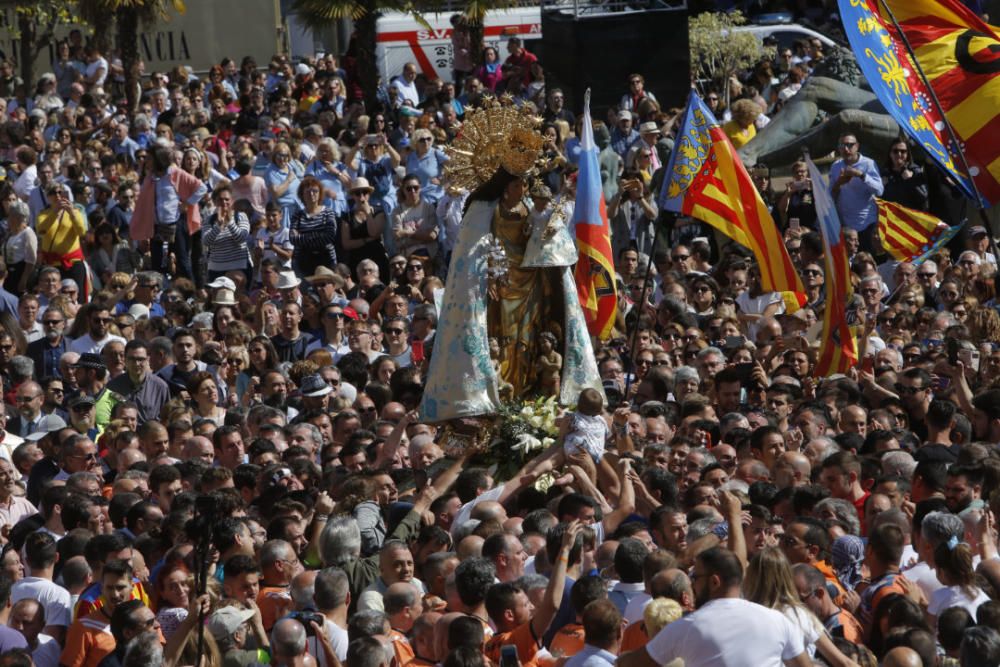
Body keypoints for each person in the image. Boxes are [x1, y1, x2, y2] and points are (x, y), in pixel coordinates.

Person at [420, 101, 601, 422]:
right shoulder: (480, 210)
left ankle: (528, 392)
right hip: (498, 286)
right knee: (501, 339)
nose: (523, 189)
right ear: (504, 186)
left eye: (525, 183)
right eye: (518, 183)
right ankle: (500, 393)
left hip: (530, 282)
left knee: (528, 337)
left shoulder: (532, 205)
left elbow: (547, 239)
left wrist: (552, 227)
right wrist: (486, 275)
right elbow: (472, 253)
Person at [617, 547, 810, 667]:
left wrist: (620, 656)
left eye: (695, 577)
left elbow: (633, 664)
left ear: (715, 582)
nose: (692, 584)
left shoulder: (687, 626)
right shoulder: (776, 620)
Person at [132, 146, 208, 279]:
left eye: (149, 159)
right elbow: (143, 202)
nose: (146, 162)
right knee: (157, 264)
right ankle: (158, 293)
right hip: (156, 225)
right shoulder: (151, 177)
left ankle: (190, 292)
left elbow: (201, 188)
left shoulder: (174, 172)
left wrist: (187, 203)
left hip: (175, 223)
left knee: (182, 261)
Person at [289, 176, 338, 279]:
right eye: (307, 192)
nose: (311, 194)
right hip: (302, 261)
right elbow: (293, 239)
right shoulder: (297, 215)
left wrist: (303, 237)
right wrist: (319, 236)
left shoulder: (328, 212)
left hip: (326, 260)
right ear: (302, 194)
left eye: (315, 191)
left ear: (320, 193)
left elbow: (330, 236)